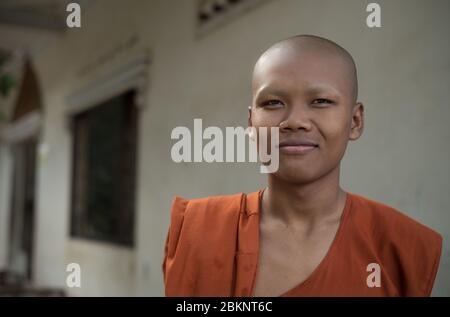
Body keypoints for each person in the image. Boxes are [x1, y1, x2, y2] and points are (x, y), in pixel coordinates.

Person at [162, 35, 442, 296]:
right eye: (272, 103)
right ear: (250, 125)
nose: (295, 120)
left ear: (355, 121)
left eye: (321, 101)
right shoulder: (197, 231)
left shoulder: (400, 247)